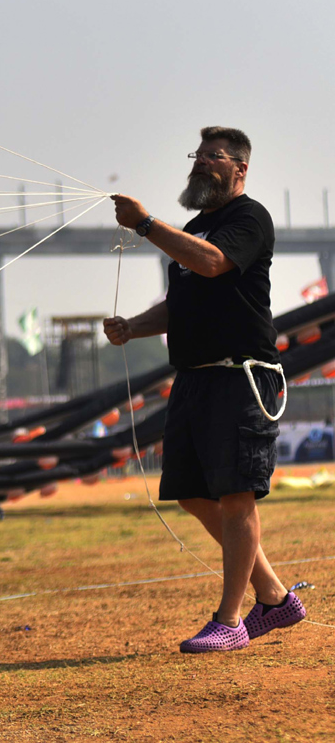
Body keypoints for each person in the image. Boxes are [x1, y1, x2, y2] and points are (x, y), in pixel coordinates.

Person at [104, 126, 306, 653]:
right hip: (194, 377)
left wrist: (147, 224)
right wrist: (134, 326)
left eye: (214, 156)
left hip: (241, 375)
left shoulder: (248, 218)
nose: (201, 163)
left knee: (236, 496)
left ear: (240, 169)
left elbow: (213, 264)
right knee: (194, 493)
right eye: (198, 155)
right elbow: (182, 302)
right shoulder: (194, 228)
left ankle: (230, 620)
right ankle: (274, 598)